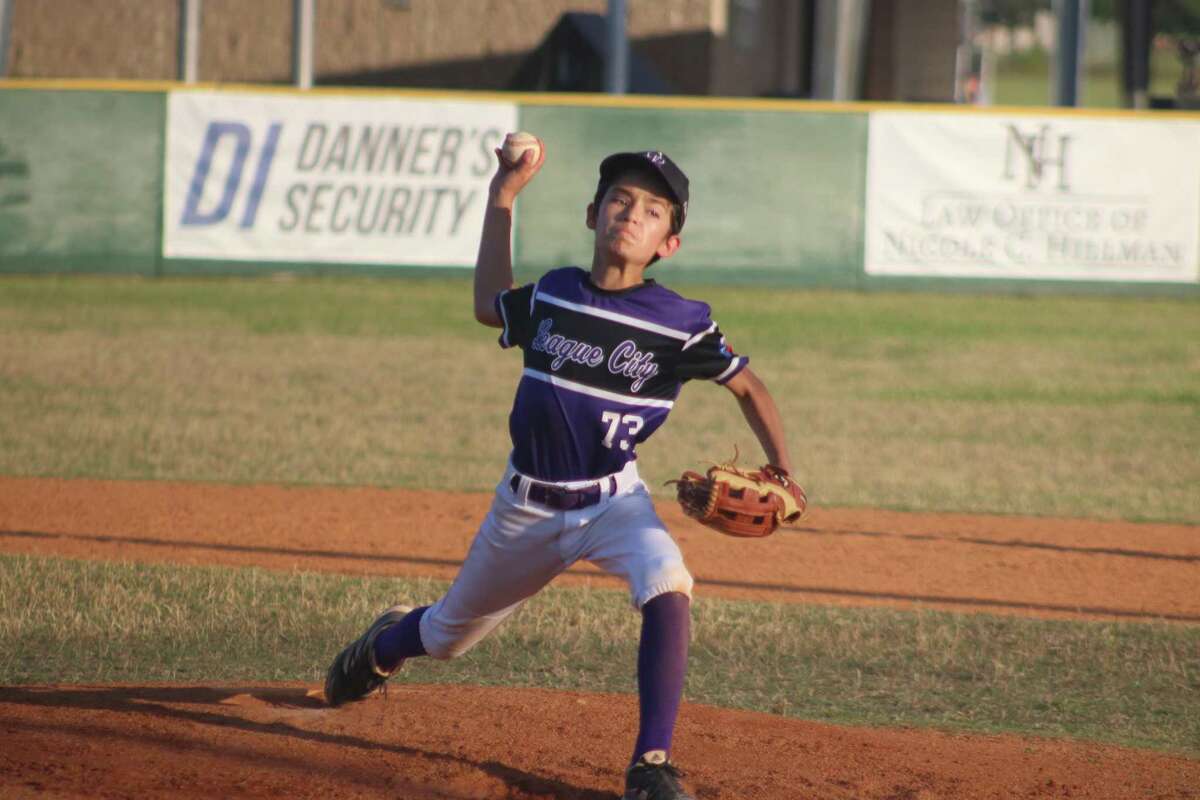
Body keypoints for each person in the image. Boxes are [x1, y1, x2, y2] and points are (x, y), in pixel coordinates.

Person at [325, 138, 797, 800]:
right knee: (447, 635)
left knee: (669, 583)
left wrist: (783, 468)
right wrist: (504, 196)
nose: (632, 213)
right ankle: (382, 647)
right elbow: (489, 303)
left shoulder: (680, 323)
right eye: (620, 199)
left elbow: (748, 386)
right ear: (592, 214)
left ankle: (651, 766)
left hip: (613, 502)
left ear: (668, 244)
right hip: (525, 510)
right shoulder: (554, 293)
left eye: (654, 210)